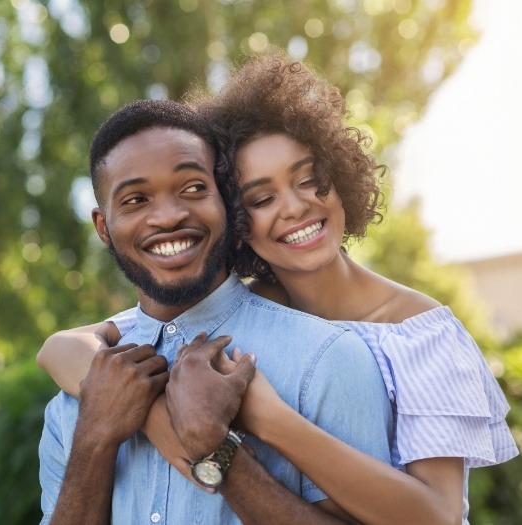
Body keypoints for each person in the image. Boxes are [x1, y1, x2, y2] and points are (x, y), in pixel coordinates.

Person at [38, 55, 519, 524]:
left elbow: (438, 517)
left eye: (310, 179)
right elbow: (82, 343)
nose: (295, 208)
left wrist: (261, 421)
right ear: (237, 219)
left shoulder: (413, 334)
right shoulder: (245, 312)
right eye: (262, 198)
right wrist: (115, 389)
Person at [38, 99, 393, 525]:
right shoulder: (72, 403)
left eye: (192, 188)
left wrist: (219, 452)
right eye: (135, 199)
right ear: (103, 227)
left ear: (227, 202)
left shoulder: (329, 360)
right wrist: (95, 436)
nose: (169, 217)